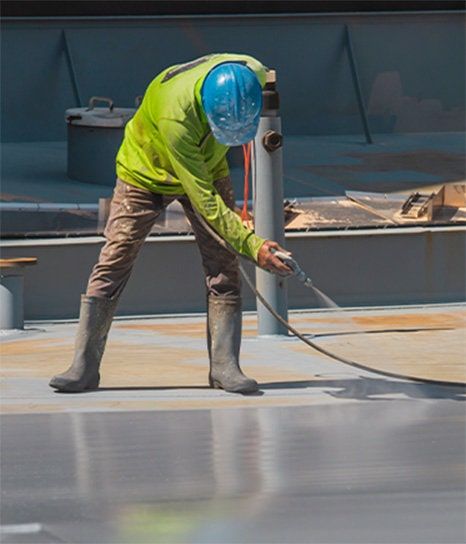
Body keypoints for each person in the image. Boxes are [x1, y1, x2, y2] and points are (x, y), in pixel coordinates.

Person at [49, 53, 291, 395]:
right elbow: (205, 199)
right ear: (208, 114)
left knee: (222, 264)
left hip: (208, 164)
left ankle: (224, 366)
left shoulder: (252, 73)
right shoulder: (176, 118)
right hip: (146, 172)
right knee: (115, 258)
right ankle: (84, 367)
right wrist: (254, 245)